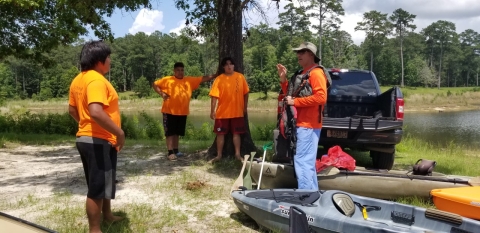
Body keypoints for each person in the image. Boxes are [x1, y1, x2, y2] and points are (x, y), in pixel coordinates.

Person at [68, 40, 124, 233]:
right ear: (100, 60)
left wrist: (85, 126)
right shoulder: (96, 80)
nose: (110, 61)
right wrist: (119, 132)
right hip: (97, 141)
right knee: (97, 187)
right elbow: (96, 112)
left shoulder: (79, 79)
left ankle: (107, 215)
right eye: (109, 58)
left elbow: (72, 110)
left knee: (106, 179)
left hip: (93, 140)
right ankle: (95, 229)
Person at [276, 42, 328, 190]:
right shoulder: (303, 73)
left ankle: (305, 197)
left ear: (311, 55)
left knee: (302, 161)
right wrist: (283, 79)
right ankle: (312, 195)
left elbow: (321, 98)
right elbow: (290, 93)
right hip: (302, 125)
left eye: (302, 52)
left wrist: (295, 102)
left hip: (309, 125)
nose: (298, 55)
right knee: (306, 162)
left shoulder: (316, 73)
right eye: (297, 52)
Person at [153, 62, 216, 161]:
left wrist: (216, 74)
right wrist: (161, 94)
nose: (180, 72)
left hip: (182, 112)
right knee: (169, 132)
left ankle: (176, 150)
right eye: (178, 70)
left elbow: (203, 78)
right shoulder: (167, 80)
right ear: (174, 71)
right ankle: (170, 152)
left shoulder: (188, 80)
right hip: (169, 111)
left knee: (177, 132)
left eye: (182, 70)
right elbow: (155, 84)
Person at [208, 57, 250, 163]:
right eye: (226, 64)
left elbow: (246, 93)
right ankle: (219, 155)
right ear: (223, 67)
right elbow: (214, 96)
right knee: (220, 134)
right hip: (222, 113)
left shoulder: (240, 77)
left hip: (237, 111)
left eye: (231, 64)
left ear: (234, 65)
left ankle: (237, 154)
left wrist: (245, 107)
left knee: (237, 134)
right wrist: (212, 110)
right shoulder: (219, 79)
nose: (229, 66)